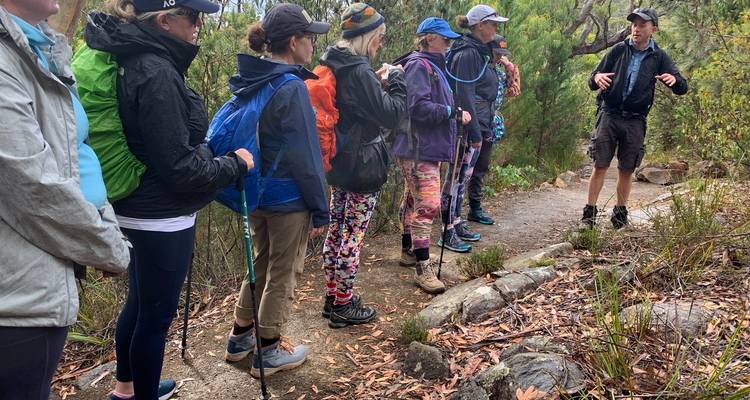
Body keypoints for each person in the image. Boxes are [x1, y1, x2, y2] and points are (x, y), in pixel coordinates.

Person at [80, 1, 254, 398]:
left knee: (139, 304)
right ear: (164, 20)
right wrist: (234, 164)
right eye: (192, 17)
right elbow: (181, 167)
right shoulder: (155, 70)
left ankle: (126, 390)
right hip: (162, 214)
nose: (198, 26)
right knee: (155, 316)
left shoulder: (127, 54)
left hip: (131, 203)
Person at [0, 0, 131, 398]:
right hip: (16, 298)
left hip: (42, 275)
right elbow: (31, 185)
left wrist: (102, 232)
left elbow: (79, 156)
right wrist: (107, 247)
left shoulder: (44, 49)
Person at [222, 3, 330, 378]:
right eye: (310, 38)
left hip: (255, 190)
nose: (314, 44)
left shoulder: (252, 77)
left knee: (261, 265)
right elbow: (306, 156)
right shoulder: (292, 87)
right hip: (288, 198)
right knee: (283, 271)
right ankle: (267, 351)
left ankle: (239, 340)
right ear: (294, 41)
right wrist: (320, 208)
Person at [320, 2, 407, 327]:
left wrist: (377, 82)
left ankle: (333, 297)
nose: (380, 43)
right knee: (352, 236)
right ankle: (343, 305)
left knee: (336, 231)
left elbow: (358, 106)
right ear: (368, 36)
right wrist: (396, 79)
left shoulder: (333, 62)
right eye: (380, 37)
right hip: (363, 165)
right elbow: (393, 114)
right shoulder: (358, 69)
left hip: (340, 162)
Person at [583, 7, 688, 229]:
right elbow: (592, 79)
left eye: (642, 25)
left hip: (635, 120)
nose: (636, 29)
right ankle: (588, 216)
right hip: (609, 114)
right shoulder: (618, 50)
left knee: (627, 168)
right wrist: (597, 77)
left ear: (653, 29)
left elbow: (682, 87)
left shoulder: (658, 56)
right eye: (634, 24)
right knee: (600, 165)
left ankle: (619, 216)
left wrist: (674, 80)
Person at [392, 17, 471, 294]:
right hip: (418, 148)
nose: (448, 43)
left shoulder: (430, 65)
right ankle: (423, 268)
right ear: (428, 38)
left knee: (413, 200)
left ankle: (408, 250)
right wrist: (452, 113)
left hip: (422, 147)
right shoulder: (419, 66)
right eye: (444, 38)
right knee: (428, 204)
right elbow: (419, 108)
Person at [439, 4, 506, 253]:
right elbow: (465, 93)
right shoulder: (468, 54)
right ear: (480, 26)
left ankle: (456, 222)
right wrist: (475, 132)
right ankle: (447, 230)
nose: (496, 28)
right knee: (455, 178)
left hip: (476, 122)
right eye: (493, 24)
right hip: (465, 128)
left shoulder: (478, 51)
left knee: (462, 177)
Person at [466, 34, 520, 226]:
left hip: (490, 121)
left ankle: (475, 207)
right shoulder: (479, 67)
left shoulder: (497, 70)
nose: (499, 57)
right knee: (466, 167)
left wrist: (509, 66)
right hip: (476, 119)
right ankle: (454, 212)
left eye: (502, 54)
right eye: (497, 53)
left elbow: (513, 89)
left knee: (482, 166)